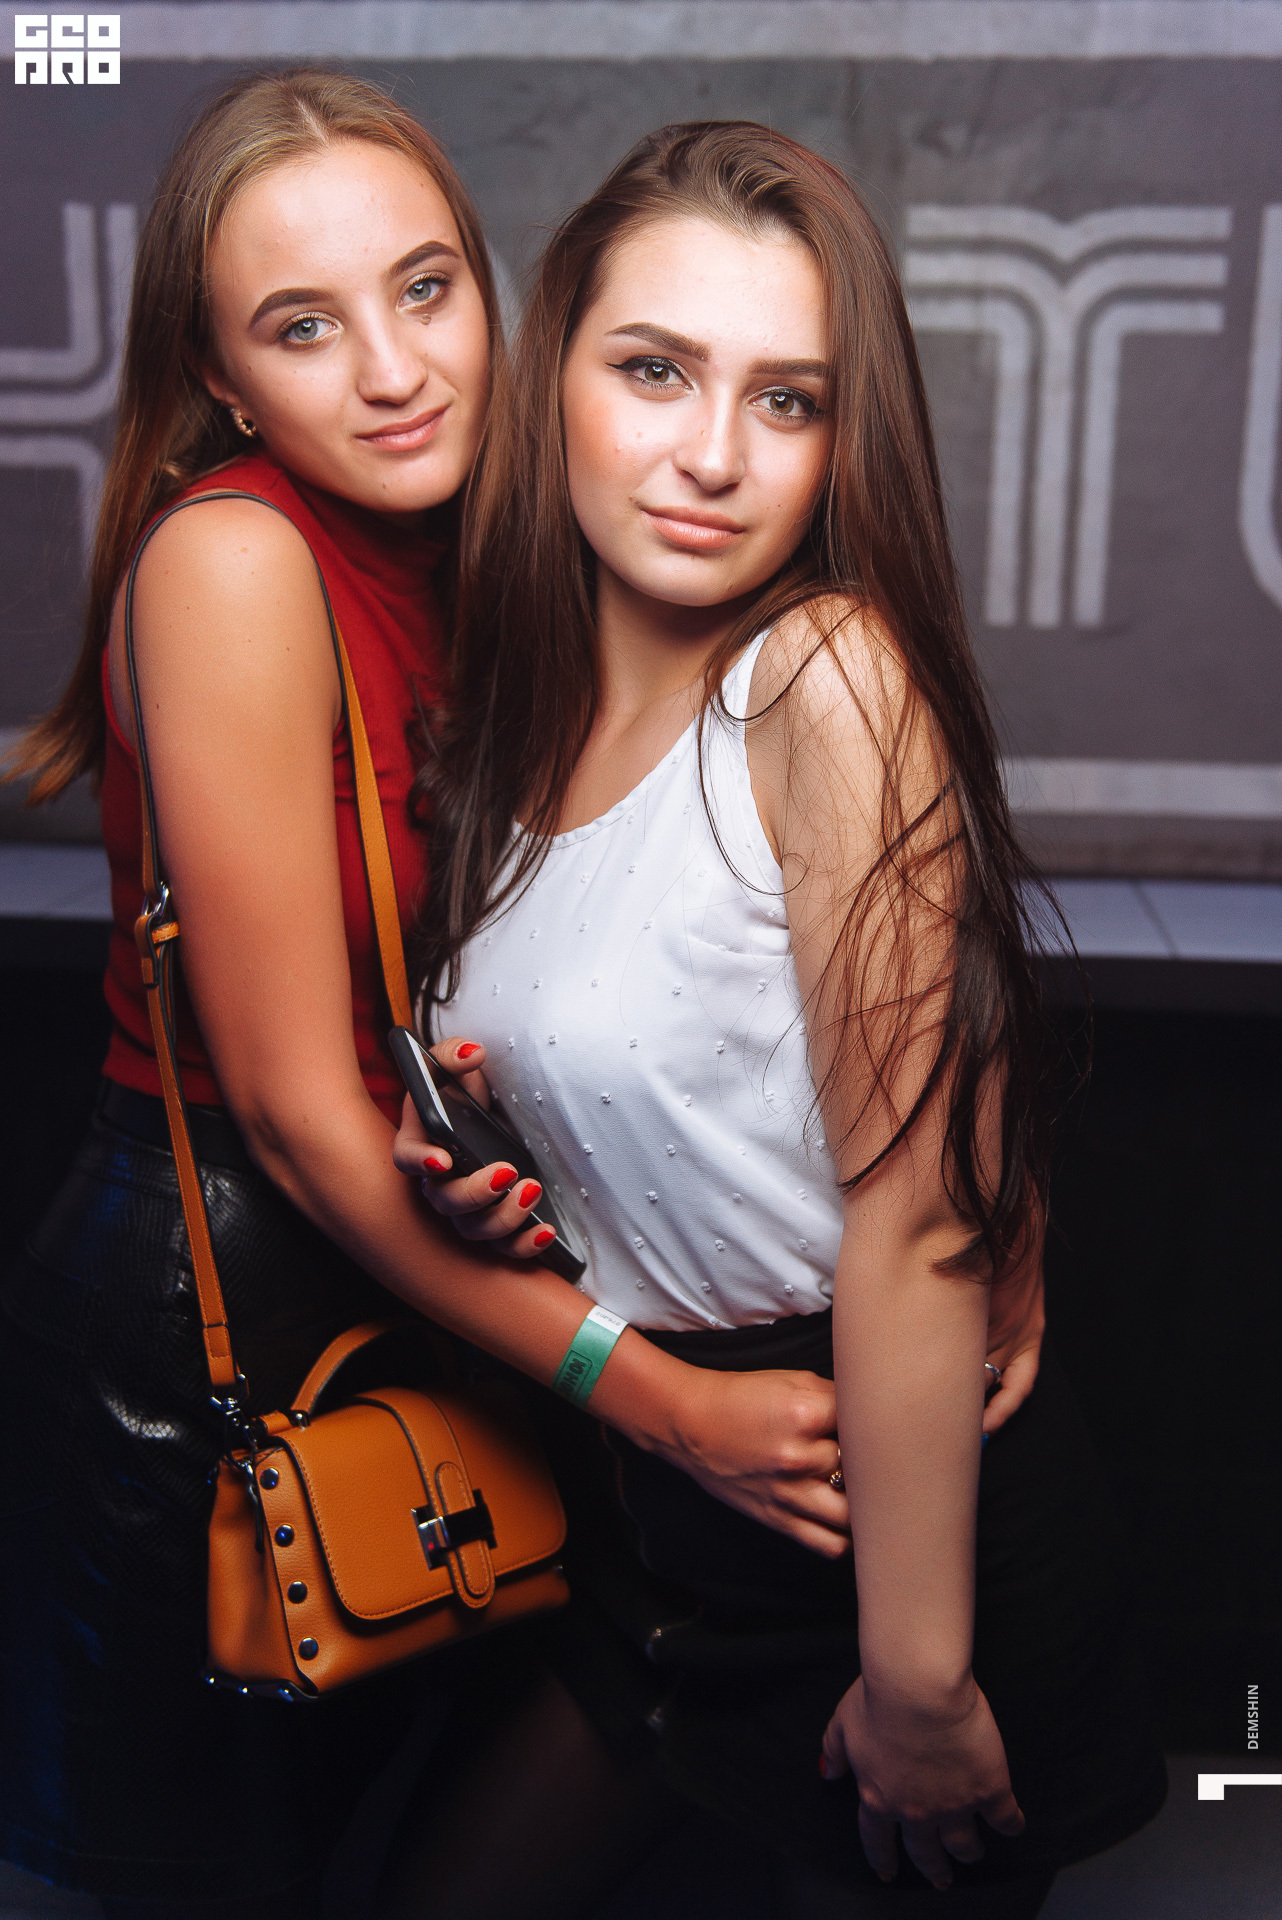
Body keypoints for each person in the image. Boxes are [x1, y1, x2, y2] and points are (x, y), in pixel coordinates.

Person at [0, 77, 937, 1917]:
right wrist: (655, 1399)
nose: (390, 369)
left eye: (424, 289)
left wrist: (979, 1225)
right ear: (219, 380)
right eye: (301, 327)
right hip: (228, 1299)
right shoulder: (237, 557)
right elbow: (295, 1116)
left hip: (434, 1270)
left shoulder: (517, 531)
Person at [386, 121, 1167, 1919]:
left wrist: (918, 1682)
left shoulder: (822, 679)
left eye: (787, 400)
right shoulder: (515, 725)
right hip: (655, 1517)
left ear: (840, 440)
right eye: (653, 370)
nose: (714, 456)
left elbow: (916, 1217)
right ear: (554, 373)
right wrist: (500, 1171)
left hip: (879, 1540)